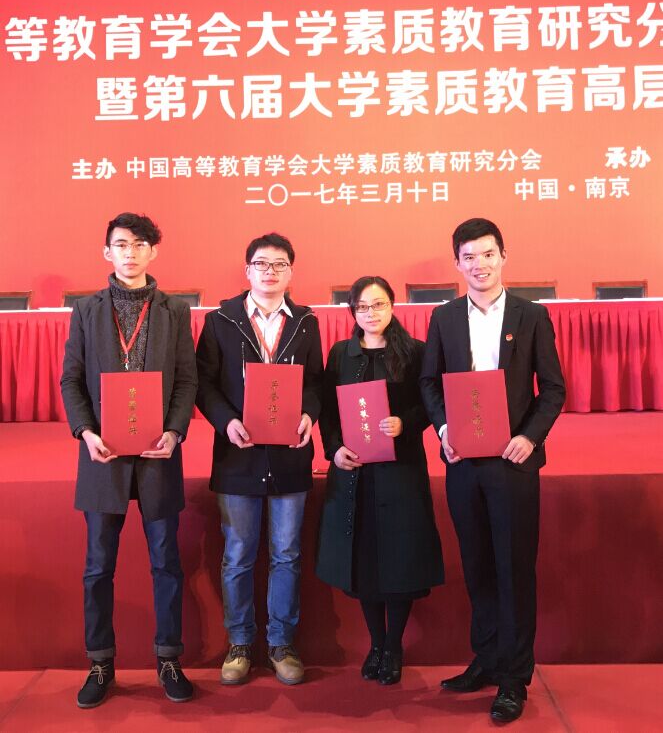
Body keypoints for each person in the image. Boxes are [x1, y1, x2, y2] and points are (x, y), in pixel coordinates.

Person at [420, 218, 565, 723]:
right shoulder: (443, 318)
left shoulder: (531, 316)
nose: (479, 265)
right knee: (477, 564)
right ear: (457, 263)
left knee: (514, 569)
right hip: (463, 462)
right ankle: (485, 659)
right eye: (469, 257)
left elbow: (553, 388)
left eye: (487, 254)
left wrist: (530, 437)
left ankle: (514, 677)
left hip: (512, 462)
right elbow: (429, 383)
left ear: (503, 256)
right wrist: (443, 429)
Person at [60, 212, 198, 708]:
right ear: (107, 251)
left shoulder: (174, 310)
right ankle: (100, 662)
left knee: (167, 564)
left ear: (153, 252)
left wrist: (175, 431)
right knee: (98, 567)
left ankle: (169, 659)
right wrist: (86, 432)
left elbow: (187, 379)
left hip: (159, 453)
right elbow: (71, 379)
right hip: (104, 457)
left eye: (140, 244)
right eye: (121, 244)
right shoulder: (86, 309)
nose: (131, 252)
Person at [196, 232, 323, 686]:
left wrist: (309, 413)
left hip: (289, 455)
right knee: (238, 555)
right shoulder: (220, 321)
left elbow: (316, 381)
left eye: (279, 264)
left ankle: (281, 643)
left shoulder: (306, 322)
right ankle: (239, 643)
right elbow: (204, 383)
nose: (270, 272)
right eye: (262, 264)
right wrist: (226, 421)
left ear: (291, 271)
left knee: (286, 554)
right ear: (247, 270)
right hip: (239, 454)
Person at [316, 276, 444, 685]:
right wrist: (334, 449)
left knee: (399, 559)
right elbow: (327, 411)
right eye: (362, 307)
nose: (371, 313)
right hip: (355, 472)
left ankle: (394, 646)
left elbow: (431, 403)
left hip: (400, 471)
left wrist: (405, 422)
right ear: (352, 311)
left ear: (393, 306)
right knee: (364, 560)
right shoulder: (341, 354)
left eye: (379, 305)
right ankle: (375, 643)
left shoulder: (415, 351)